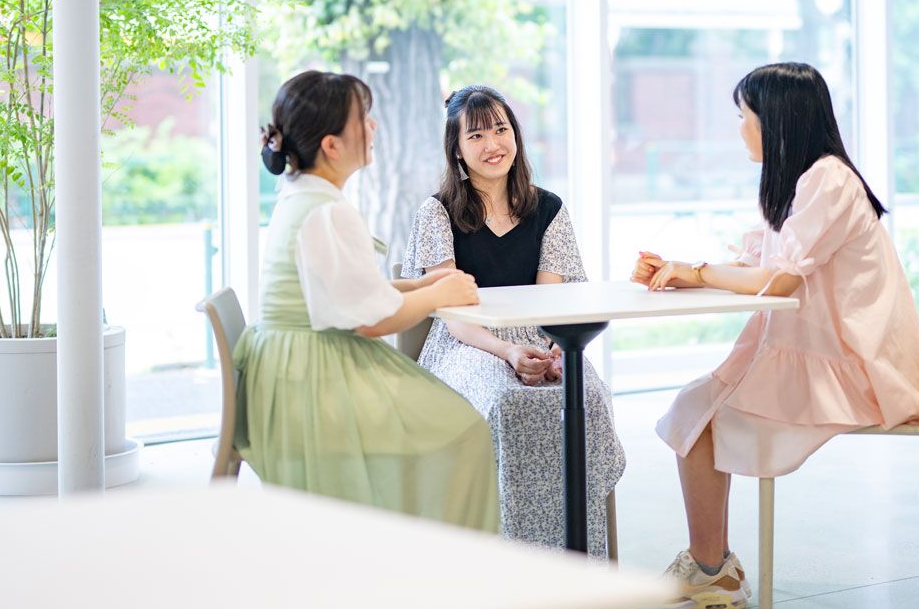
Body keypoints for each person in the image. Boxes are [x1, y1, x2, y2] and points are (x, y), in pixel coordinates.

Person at [634, 62, 919, 609]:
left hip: (855, 369)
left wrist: (696, 271)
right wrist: (681, 270)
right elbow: (758, 263)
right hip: (826, 353)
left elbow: (779, 278)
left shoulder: (828, 180)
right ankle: (711, 566)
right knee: (693, 411)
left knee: (696, 418)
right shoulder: (809, 180)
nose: (740, 128)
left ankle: (712, 570)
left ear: (776, 120)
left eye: (744, 116)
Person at [234, 70, 498, 533]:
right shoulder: (328, 211)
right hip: (312, 382)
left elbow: (349, 295)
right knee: (466, 431)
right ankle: (447, 569)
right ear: (333, 145)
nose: (374, 127)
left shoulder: (301, 199)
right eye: (364, 119)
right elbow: (372, 321)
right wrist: (438, 292)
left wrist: (421, 289)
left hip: (288, 367)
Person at [401, 84, 625, 557]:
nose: (492, 144)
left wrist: (552, 353)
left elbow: (553, 305)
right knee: (504, 402)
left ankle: (578, 557)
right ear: (457, 150)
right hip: (468, 343)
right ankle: (508, 561)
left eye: (501, 130)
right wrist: (507, 352)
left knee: (588, 400)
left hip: (543, 340)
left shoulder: (549, 209)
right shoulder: (437, 212)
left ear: (516, 136)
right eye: (477, 135)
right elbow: (453, 314)